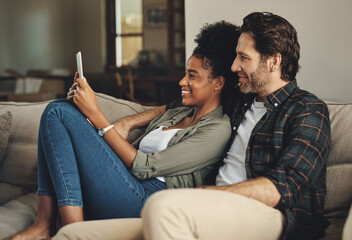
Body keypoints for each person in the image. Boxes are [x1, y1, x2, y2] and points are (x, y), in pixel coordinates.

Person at [9, 21, 240, 240]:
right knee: (60, 108)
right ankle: (45, 225)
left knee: (57, 112)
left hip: (148, 199)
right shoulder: (178, 112)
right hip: (124, 183)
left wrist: (96, 114)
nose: (182, 81)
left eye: (192, 75)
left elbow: (143, 167)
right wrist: (110, 123)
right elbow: (158, 113)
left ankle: (72, 231)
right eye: (184, 73)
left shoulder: (218, 129)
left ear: (218, 83)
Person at [138, 11, 331, 240]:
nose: (234, 66)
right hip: (218, 210)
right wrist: (127, 122)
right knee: (87, 233)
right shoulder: (240, 100)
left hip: (274, 215)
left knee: (161, 206)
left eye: (243, 57)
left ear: (273, 61)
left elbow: (285, 186)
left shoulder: (307, 109)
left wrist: (213, 194)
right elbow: (181, 105)